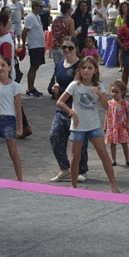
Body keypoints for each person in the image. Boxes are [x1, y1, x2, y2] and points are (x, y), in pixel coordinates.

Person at [57, 56, 120, 193]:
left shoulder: (99, 86)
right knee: (75, 157)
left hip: (94, 126)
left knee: (104, 155)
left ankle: (113, 186)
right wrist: (71, 112)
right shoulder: (74, 85)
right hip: (78, 127)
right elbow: (60, 102)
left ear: (95, 71)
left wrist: (101, 95)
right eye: (84, 67)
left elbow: (106, 107)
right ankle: (74, 187)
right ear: (79, 69)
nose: (86, 71)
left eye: (90, 68)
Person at [47, 36, 89, 183]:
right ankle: (64, 168)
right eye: (64, 47)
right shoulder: (59, 64)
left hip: (78, 108)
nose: (66, 50)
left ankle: (82, 170)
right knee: (54, 135)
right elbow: (53, 84)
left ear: (76, 48)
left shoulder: (82, 64)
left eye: (70, 47)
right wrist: (54, 88)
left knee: (79, 141)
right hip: (62, 108)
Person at [21, 1, 45, 98]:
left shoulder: (37, 17)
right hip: (34, 46)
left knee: (36, 66)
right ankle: (30, 88)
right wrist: (23, 44)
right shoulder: (30, 17)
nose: (42, 8)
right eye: (40, 6)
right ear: (35, 6)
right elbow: (25, 31)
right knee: (33, 67)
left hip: (39, 45)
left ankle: (32, 87)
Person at [106, 80, 129, 167]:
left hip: (122, 126)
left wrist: (128, 124)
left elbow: (128, 114)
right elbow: (107, 115)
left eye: (116, 92)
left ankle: (127, 159)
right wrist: (105, 126)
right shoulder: (109, 103)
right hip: (112, 127)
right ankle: (113, 159)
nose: (114, 94)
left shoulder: (124, 103)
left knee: (124, 144)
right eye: (112, 91)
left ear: (122, 92)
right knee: (112, 144)